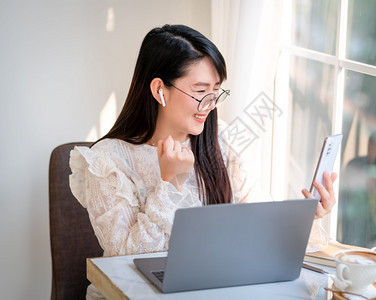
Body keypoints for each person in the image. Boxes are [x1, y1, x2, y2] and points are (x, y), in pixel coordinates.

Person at [69, 24, 337, 299]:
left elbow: (258, 225)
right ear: (160, 89)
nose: (210, 104)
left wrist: (305, 218)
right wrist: (169, 184)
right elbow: (125, 264)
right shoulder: (106, 161)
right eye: (200, 91)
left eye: (216, 91)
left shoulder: (219, 141)